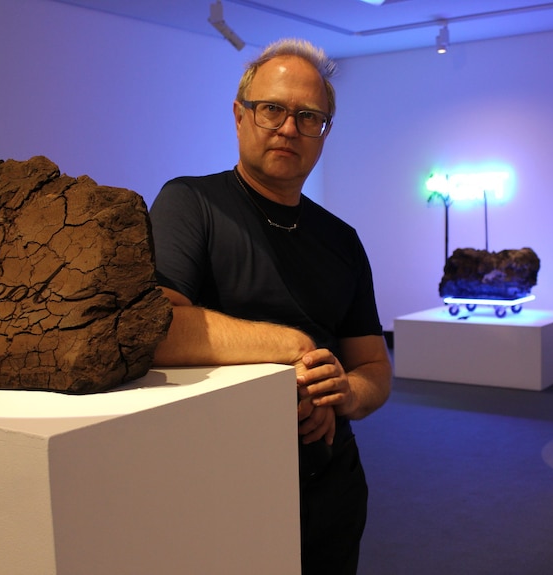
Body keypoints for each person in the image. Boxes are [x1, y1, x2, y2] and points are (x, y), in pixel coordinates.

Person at [148, 38, 392, 575]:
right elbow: (159, 327)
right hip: (219, 486)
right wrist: (294, 347)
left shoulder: (342, 240)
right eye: (272, 109)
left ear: (324, 134)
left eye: (309, 117)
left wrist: (346, 391)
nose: (288, 127)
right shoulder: (191, 203)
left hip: (330, 485)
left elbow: (375, 368)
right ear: (240, 116)